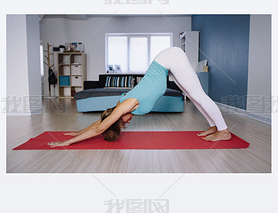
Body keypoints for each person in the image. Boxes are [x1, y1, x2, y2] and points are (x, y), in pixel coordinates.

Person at [48, 47, 231, 148]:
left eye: (122, 122)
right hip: (166, 63)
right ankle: (214, 126)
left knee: (198, 95)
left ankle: (223, 130)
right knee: (192, 95)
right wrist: (77, 132)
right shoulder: (119, 108)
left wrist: (67, 142)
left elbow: (100, 128)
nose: (126, 123)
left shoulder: (125, 105)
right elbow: (101, 122)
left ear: (118, 116)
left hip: (169, 58)